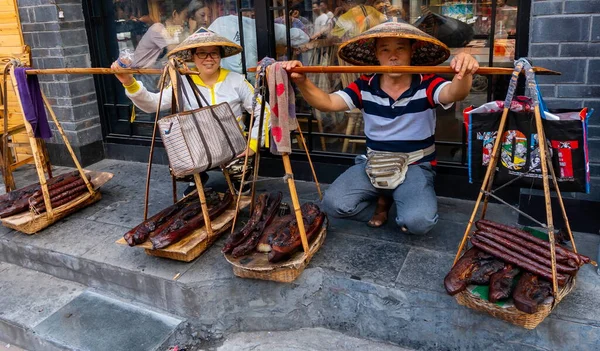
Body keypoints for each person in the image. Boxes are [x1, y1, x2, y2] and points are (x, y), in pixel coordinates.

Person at [282, 21, 479, 235]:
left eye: (400, 48)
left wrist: (464, 71)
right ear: (376, 54)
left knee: (419, 223)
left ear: (412, 51)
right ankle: (382, 203)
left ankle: (399, 201)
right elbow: (328, 103)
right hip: (374, 161)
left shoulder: (427, 83)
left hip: (415, 163)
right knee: (334, 204)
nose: (392, 56)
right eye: (385, 49)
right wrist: (302, 81)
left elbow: (455, 93)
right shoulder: (365, 84)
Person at [112, 27, 270, 195]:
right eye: (202, 53)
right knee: (178, 163)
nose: (209, 59)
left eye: (214, 53)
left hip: (232, 144)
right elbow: (153, 104)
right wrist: (129, 83)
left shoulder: (236, 80)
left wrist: (253, 143)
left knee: (241, 170)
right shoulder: (182, 82)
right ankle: (197, 179)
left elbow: (264, 111)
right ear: (193, 57)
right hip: (198, 145)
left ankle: (238, 178)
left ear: (220, 56)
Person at [129, 0, 189, 92]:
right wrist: (192, 31)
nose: (186, 21)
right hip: (145, 76)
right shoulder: (158, 28)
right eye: (185, 16)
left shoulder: (167, 30)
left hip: (151, 74)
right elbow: (175, 51)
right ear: (175, 14)